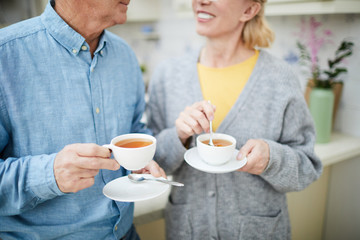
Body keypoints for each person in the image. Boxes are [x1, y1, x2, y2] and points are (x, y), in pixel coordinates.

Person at [147, 0, 323, 239]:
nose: (201, 1)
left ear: (249, 10)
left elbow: (308, 167)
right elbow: (154, 164)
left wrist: (272, 159)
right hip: (187, 231)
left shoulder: (279, 79)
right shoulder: (167, 76)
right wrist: (178, 136)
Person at [0, 0, 166, 239]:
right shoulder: (5, 55)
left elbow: (134, 129)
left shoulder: (126, 56)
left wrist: (140, 160)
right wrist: (50, 175)